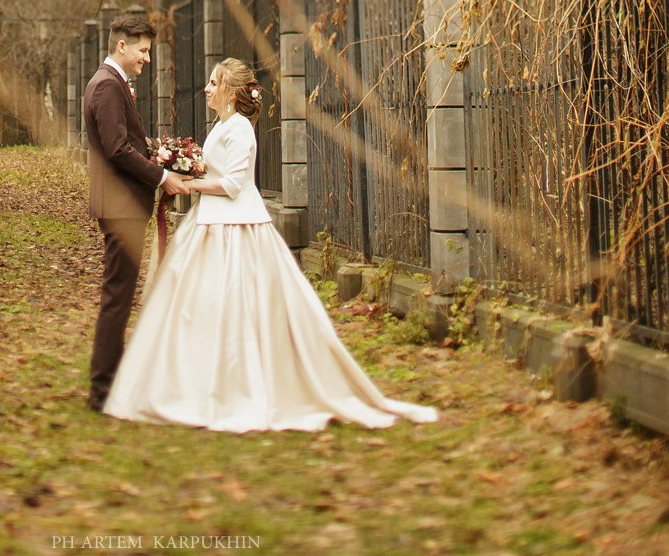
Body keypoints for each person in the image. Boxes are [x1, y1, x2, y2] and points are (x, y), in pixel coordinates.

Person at [104, 56, 439, 432]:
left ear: (230, 92)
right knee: (196, 304)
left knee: (242, 303)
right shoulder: (222, 125)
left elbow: (232, 185)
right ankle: (192, 380)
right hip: (210, 222)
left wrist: (190, 183)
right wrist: (186, 167)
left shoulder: (242, 130)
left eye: (213, 83)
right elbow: (215, 169)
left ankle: (243, 385)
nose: (207, 89)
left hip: (239, 227)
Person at [82, 9, 189, 411]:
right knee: (117, 296)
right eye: (143, 50)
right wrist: (163, 177)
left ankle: (110, 383)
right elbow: (117, 148)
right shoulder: (108, 86)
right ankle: (104, 390)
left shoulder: (110, 82)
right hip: (120, 205)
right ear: (121, 46)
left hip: (120, 203)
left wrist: (161, 155)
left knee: (120, 294)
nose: (147, 58)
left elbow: (126, 143)